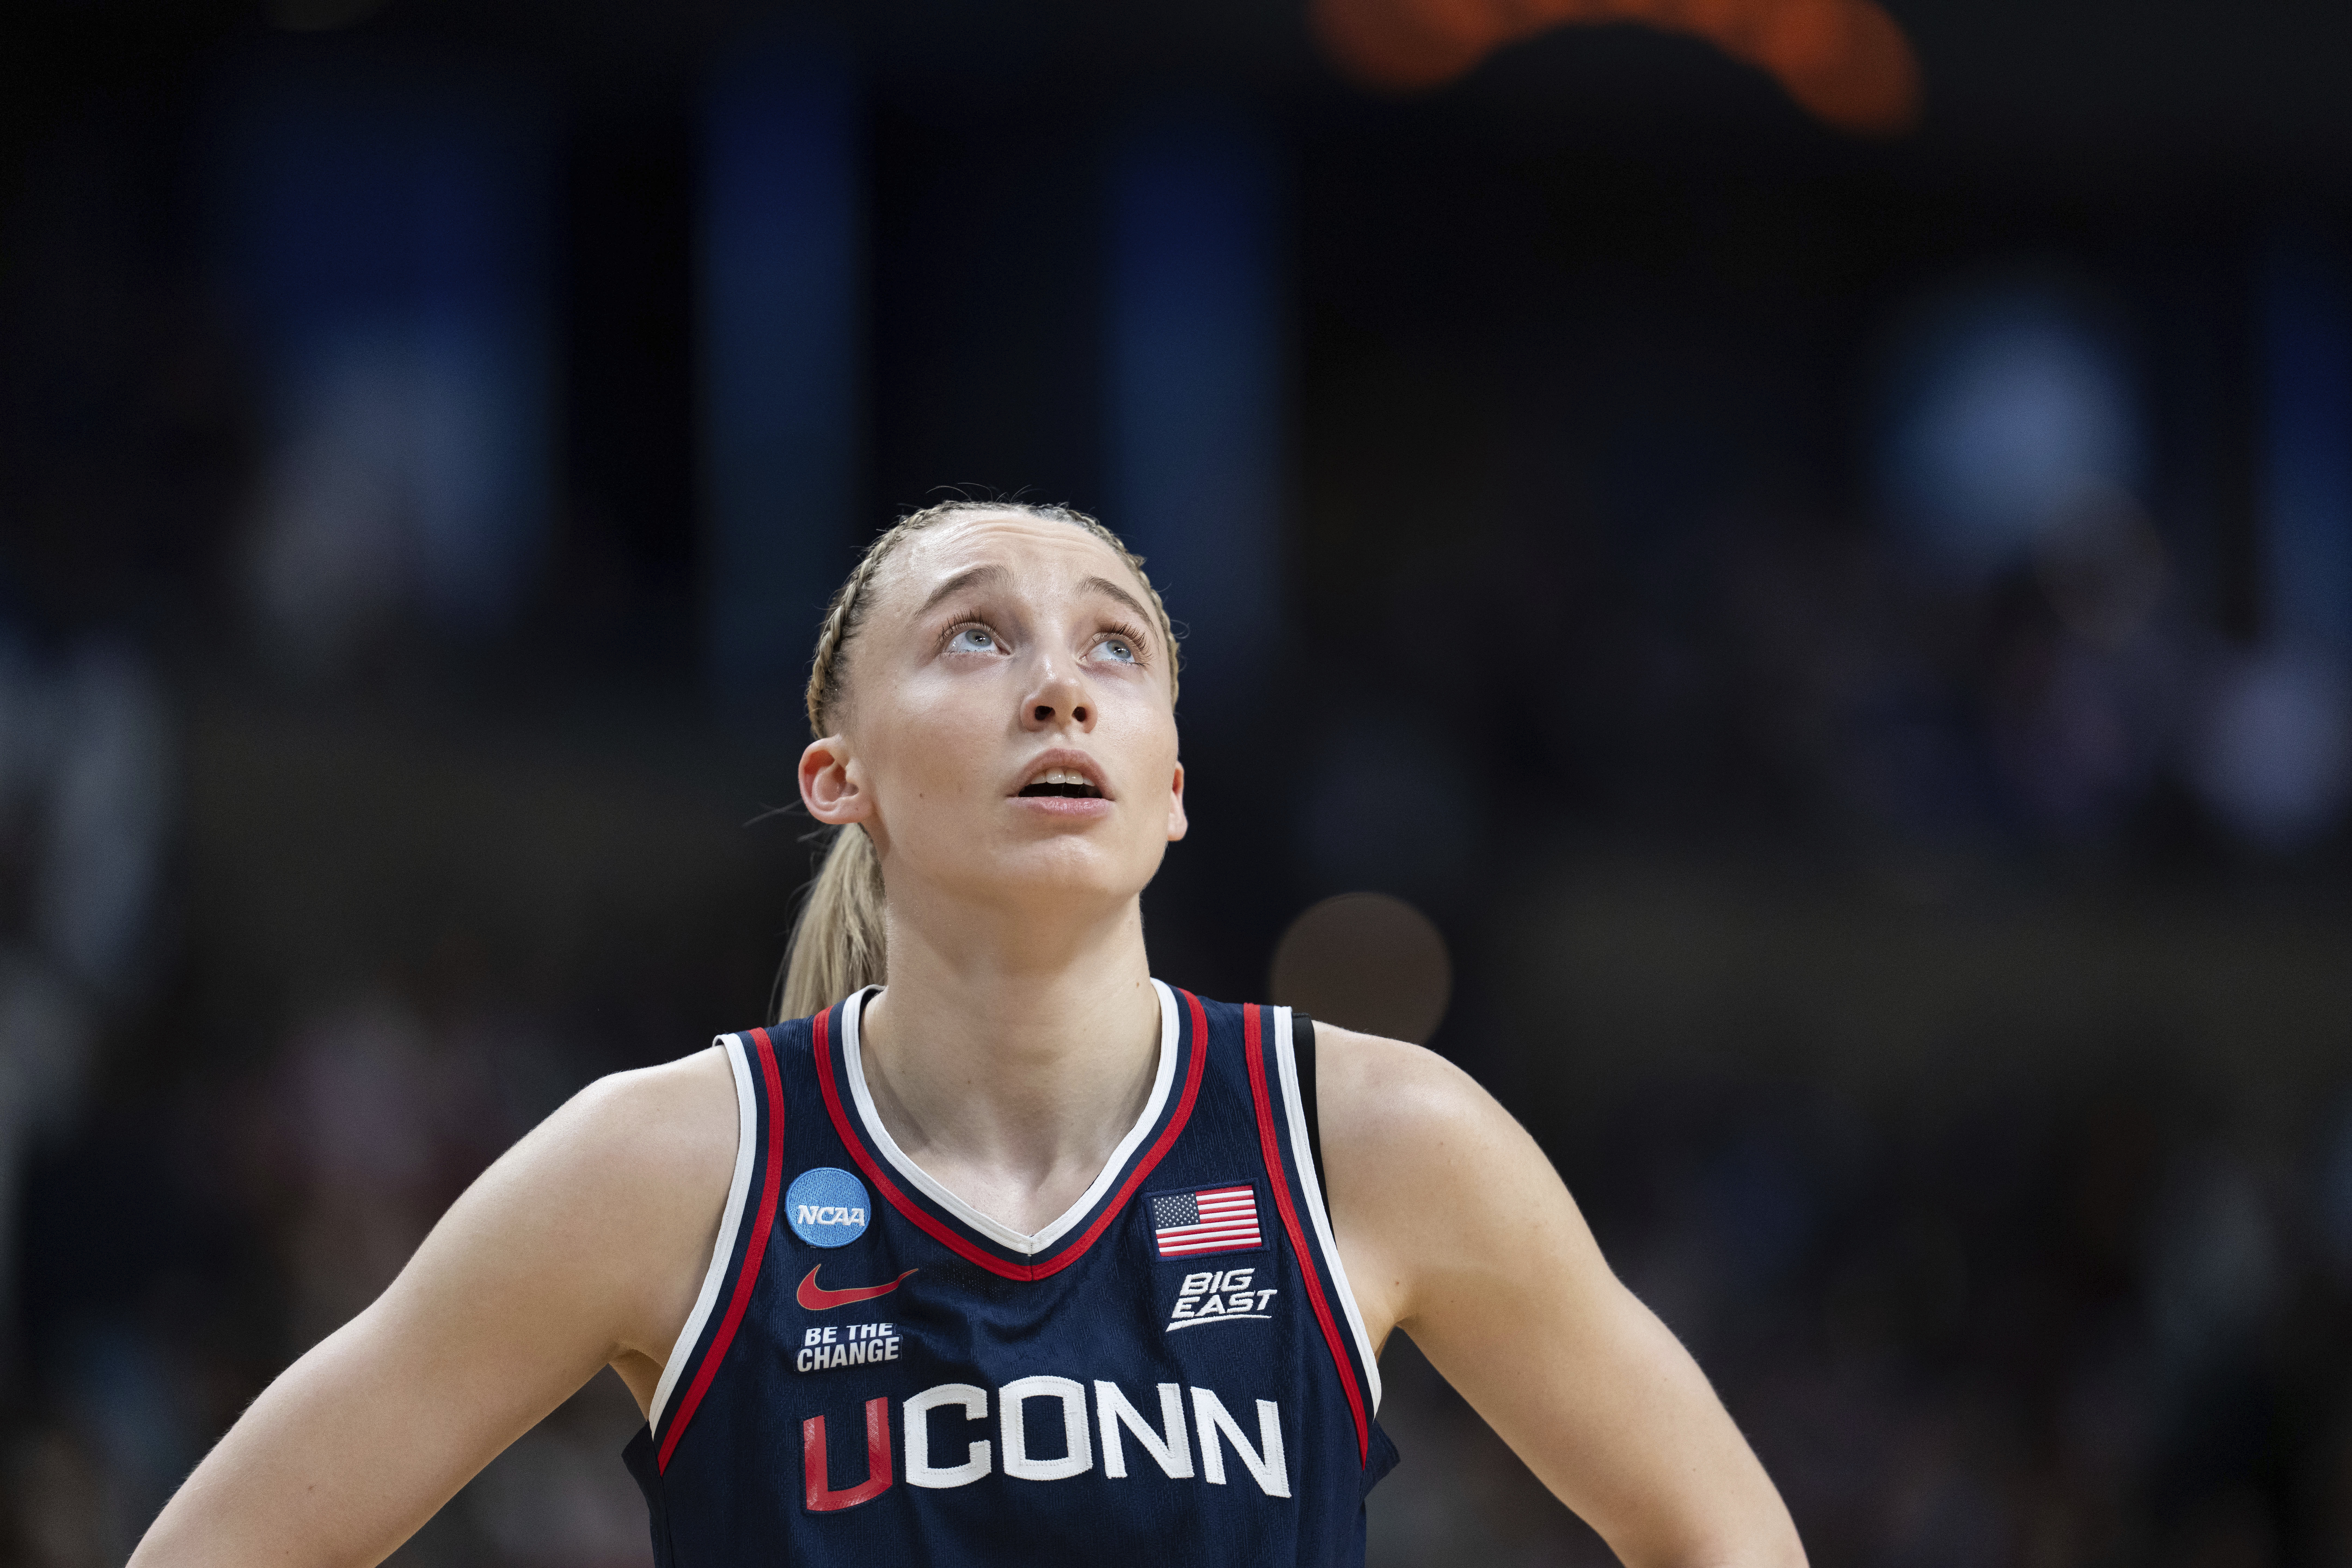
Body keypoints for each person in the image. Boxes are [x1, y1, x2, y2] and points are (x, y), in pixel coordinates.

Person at [130, 500, 1806, 1566]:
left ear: (1169, 786)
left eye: (1114, 648)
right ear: (836, 777)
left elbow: (1725, 1534)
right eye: (977, 637)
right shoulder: (670, 1168)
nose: (1058, 685)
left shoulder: (1376, 1139)